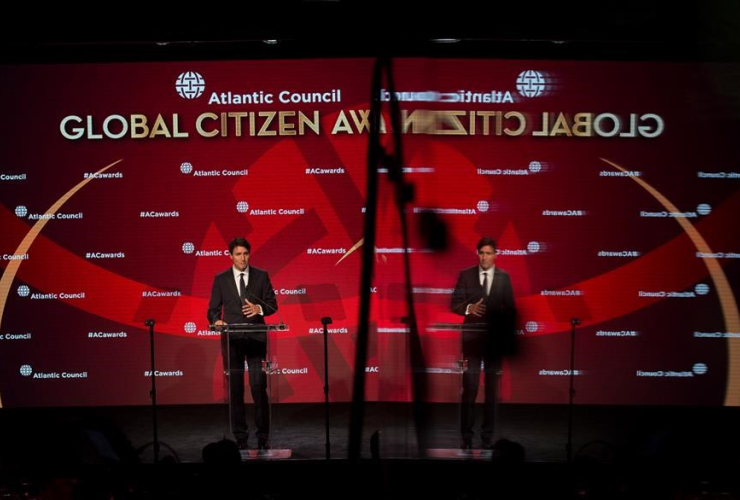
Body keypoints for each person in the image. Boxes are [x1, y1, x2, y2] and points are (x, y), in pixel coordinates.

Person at [207, 237, 278, 450]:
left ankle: (263, 436)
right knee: (236, 390)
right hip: (233, 339)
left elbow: (272, 305)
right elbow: (212, 309)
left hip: (256, 337)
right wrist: (215, 321)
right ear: (230, 256)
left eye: (245, 253)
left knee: (258, 387)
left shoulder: (261, 275)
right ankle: (240, 437)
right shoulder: (221, 279)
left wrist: (259, 309)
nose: (242, 258)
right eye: (238, 254)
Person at [451, 236, 516, 449]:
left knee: (491, 390)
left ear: (495, 255)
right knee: (469, 388)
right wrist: (469, 309)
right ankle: (466, 436)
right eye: (481, 253)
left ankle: (487, 437)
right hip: (472, 340)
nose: (484, 257)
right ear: (477, 254)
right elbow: (455, 304)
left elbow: (510, 308)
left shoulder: (503, 278)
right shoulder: (466, 275)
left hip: (493, 342)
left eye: (488, 253)